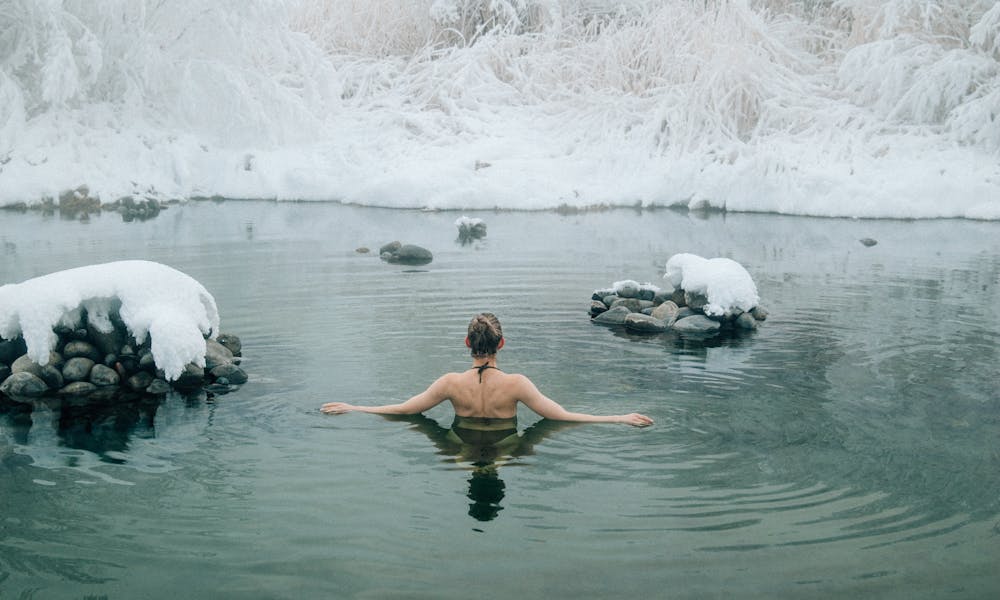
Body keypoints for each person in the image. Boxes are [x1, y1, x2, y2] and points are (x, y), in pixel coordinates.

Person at [321, 312, 653, 427]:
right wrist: (617, 417)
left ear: (467, 343)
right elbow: (560, 416)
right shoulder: (517, 384)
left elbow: (405, 411)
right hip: (505, 452)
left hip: (461, 451)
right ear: (502, 344)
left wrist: (355, 407)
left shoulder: (450, 383)